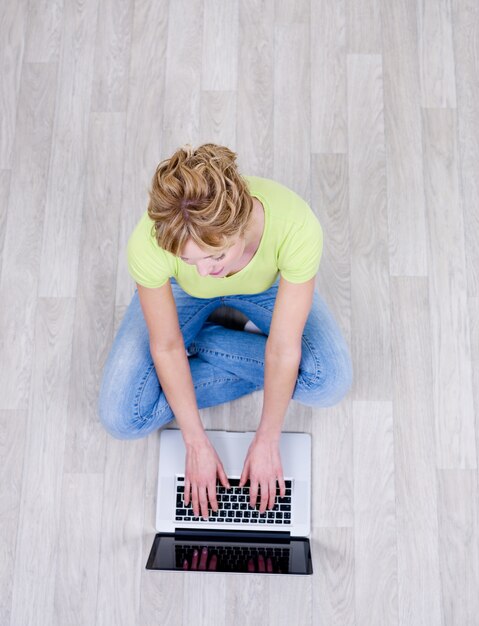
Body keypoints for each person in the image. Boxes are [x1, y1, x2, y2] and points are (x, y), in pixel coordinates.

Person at [98, 143, 352, 521]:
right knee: (123, 417)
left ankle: (205, 340)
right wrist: (195, 441)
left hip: (269, 287)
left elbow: (284, 349)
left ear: (242, 222)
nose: (204, 272)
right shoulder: (150, 243)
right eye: (188, 259)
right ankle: (230, 338)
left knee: (330, 382)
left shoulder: (296, 225)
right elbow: (166, 346)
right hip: (179, 294)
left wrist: (267, 439)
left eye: (216, 256)